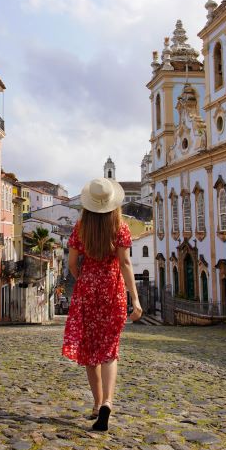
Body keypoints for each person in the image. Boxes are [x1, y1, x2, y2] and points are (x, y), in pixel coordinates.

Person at [61, 177, 143, 432]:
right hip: (113, 290)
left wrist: (85, 279)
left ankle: (96, 404)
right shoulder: (121, 227)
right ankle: (108, 401)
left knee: (89, 349)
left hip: (88, 290)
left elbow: (72, 263)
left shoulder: (80, 227)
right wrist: (135, 298)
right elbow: (125, 264)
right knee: (109, 349)